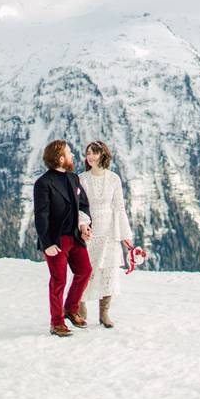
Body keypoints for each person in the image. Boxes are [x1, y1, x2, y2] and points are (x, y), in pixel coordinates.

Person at [33, 139, 93, 337]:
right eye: (69, 153)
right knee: (58, 280)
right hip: (56, 241)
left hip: (75, 237)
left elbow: (83, 205)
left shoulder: (73, 179)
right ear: (60, 159)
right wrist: (47, 243)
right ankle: (56, 322)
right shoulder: (43, 183)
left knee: (85, 271)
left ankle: (70, 309)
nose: (73, 156)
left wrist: (84, 226)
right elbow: (41, 216)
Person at [77, 140, 133, 328]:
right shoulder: (81, 179)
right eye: (88, 153)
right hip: (90, 232)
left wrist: (125, 235)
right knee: (86, 271)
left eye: (94, 153)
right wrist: (83, 224)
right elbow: (79, 206)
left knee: (109, 271)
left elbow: (119, 207)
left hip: (110, 231)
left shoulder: (114, 179)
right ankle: (80, 307)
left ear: (103, 155)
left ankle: (104, 313)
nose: (90, 156)